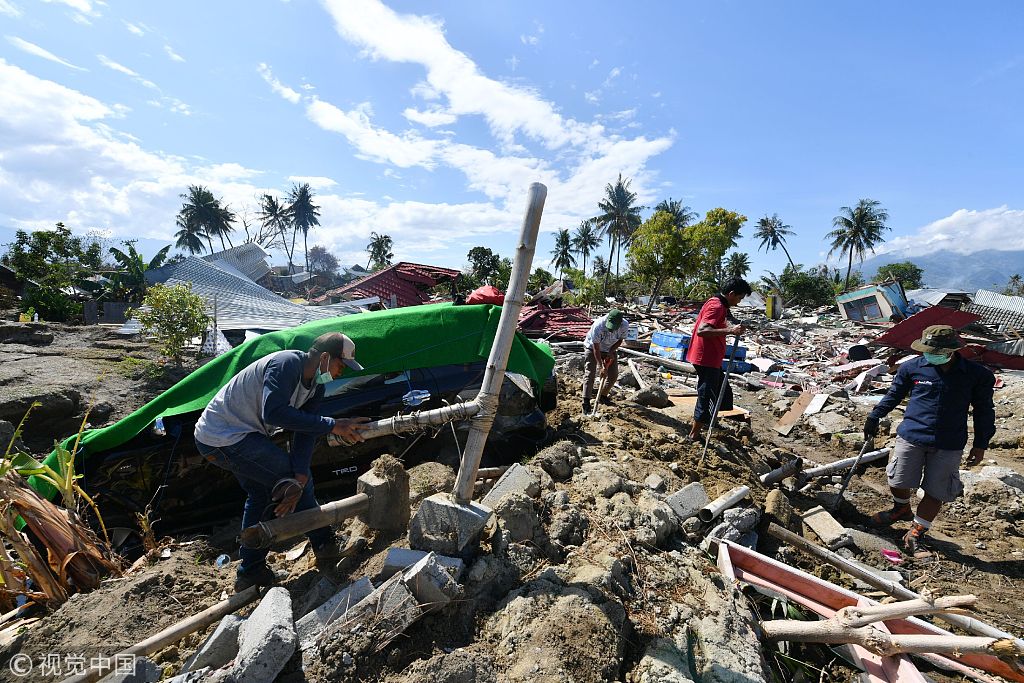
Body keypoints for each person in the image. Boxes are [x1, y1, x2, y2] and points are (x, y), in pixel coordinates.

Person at [195, 332, 371, 591]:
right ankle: (325, 545)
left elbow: (306, 430)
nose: (340, 373)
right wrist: (333, 425)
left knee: (264, 492)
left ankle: (250, 572)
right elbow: (274, 411)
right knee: (294, 484)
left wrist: (299, 474)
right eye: (340, 365)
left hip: (240, 435)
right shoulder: (286, 364)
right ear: (324, 357)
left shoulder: (316, 387)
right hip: (222, 436)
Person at [864, 325, 995, 551]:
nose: (929, 354)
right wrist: (875, 415)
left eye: (935, 350)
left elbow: (984, 411)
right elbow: (894, 394)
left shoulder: (977, 375)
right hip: (912, 435)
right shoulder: (911, 368)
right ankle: (901, 508)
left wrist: (980, 445)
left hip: (949, 443)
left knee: (937, 490)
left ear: (951, 349)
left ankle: (917, 531)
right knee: (898, 480)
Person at [686, 278, 751, 441]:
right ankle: (694, 434)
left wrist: (736, 326)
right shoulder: (717, 306)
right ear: (731, 294)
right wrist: (730, 330)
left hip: (711, 358)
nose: (739, 301)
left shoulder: (720, 303)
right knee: (707, 395)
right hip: (706, 358)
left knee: (724, 394)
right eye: (739, 298)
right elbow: (703, 330)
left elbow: (726, 317)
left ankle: (708, 420)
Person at [582, 308, 629, 414]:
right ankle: (586, 402)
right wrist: (601, 366)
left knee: (613, 375)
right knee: (590, 374)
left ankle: (602, 396)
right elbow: (596, 348)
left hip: (610, 348)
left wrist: (611, 352)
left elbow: (620, 340)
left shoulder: (625, 325)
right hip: (592, 348)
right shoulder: (598, 325)